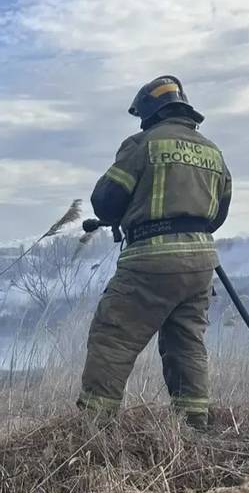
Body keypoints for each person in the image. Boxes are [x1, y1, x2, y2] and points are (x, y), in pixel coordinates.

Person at [77, 75, 232, 429]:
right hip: (200, 265)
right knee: (187, 343)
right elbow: (219, 213)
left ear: (149, 112)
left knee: (112, 338)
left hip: (150, 262)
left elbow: (106, 200)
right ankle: (194, 424)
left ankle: (94, 430)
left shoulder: (142, 144)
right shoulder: (212, 151)